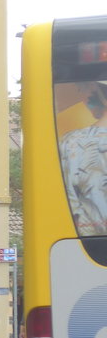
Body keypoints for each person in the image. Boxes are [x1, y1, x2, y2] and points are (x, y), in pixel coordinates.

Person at [58, 81, 107, 236]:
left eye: (83, 90)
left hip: (89, 241)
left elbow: (69, 199)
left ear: (96, 92)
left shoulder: (72, 142)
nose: (83, 100)